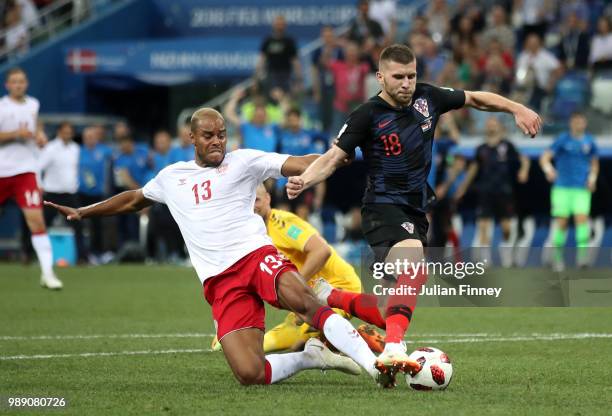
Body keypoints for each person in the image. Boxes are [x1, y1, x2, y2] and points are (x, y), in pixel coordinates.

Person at [44, 108, 400, 388]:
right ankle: (312, 357)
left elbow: (299, 162)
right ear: (192, 138)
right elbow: (134, 199)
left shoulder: (244, 161)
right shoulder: (172, 177)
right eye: (209, 135)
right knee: (249, 373)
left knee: (304, 300)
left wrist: (335, 155)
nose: (217, 141)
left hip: (255, 256)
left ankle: (374, 366)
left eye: (222, 135)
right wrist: (83, 211)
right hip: (219, 280)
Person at [285, 44, 541, 375]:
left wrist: (516, 108)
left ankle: (327, 295)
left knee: (389, 309)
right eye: (398, 77)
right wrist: (304, 179)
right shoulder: (367, 115)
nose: (406, 83)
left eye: (412, 75)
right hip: (382, 209)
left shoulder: (428, 99)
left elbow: (476, 98)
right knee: (415, 267)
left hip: (417, 212)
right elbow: (334, 157)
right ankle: (393, 348)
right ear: (380, 77)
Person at [0, 67, 62, 289]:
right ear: (7, 85)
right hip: (1, 171)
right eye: (14, 82)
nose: (18, 85)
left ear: (26, 84)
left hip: (25, 171)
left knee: (36, 220)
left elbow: (36, 128)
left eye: (22, 81)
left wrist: (40, 137)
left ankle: (48, 273)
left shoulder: (33, 104)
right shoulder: (2, 106)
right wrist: (17, 134)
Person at [454, 116, 530, 267]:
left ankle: (505, 250)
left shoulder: (507, 146)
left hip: (504, 191)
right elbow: (473, 169)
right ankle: (485, 261)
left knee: (507, 228)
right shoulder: (481, 148)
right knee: (483, 226)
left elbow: (524, 159)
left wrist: (524, 170)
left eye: (494, 124)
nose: (491, 127)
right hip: (485, 191)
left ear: (500, 127)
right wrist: (462, 188)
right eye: (489, 124)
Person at [539, 111, 599, 270]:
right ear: (571, 123)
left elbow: (594, 163)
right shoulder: (562, 139)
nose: (579, 123)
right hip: (562, 188)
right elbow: (544, 157)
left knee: (582, 221)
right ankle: (557, 259)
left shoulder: (589, 141)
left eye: (581, 121)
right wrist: (548, 170)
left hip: (581, 189)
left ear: (585, 123)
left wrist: (592, 179)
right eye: (576, 121)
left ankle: (582, 259)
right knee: (562, 223)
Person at [39, 121, 88, 263]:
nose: (68, 134)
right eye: (65, 131)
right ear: (59, 132)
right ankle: (34, 256)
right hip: (52, 194)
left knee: (78, 226)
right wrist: (40, 185)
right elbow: (39, 166)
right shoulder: (50, 148)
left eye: (70, 132)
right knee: (41, 226)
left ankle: (82, 258)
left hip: (70, 194)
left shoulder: (75, 149)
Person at [78, 125, 112, 262]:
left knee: (98, 225)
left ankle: (98, 253)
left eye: (92, 137)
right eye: (87, 137)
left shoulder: (105, 151)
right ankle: (85, 254)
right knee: (81, 226)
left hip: (98, 194)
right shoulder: (78, 152)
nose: (90, 139)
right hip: (81, 193)